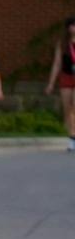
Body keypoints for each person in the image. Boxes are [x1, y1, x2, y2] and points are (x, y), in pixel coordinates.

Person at [48, 17, 75, 153]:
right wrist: (51, 83)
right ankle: (72, 137)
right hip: (66, 77)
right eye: (72, 25)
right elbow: (57, 64)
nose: (74, 28)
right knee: (67, 109)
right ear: (68, 28)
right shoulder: (63, 44)